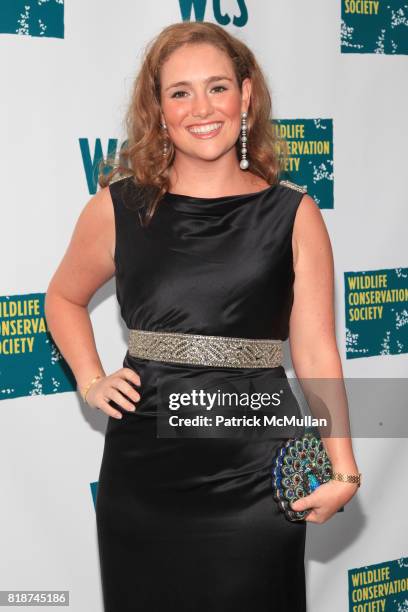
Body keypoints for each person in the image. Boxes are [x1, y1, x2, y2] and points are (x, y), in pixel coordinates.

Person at [45, 21, 361, 612]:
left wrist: (342, 467)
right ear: (157, 109)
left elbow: (316, 351)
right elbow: (61, 298)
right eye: (179, 92)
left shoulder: (294, 214)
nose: (201, 108)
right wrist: (91, 379)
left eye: (217, 87)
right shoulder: (117, 208)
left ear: (247, 96)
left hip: (256, 473)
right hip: (145, 474)